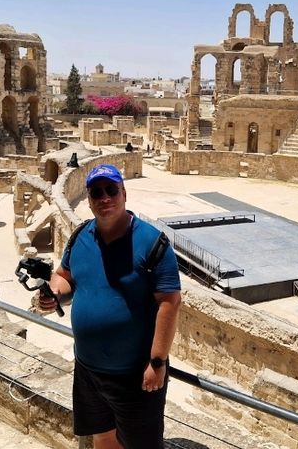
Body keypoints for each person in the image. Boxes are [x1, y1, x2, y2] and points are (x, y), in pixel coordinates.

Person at [39, 164, 181, 449]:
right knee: (102, 435)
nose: (105, 198)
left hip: (135, 375)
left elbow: (170, 302)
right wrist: (55, 294)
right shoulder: (81, 236)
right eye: (97, 192)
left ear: (124, 194)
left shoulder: (152, 243)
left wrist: (157, 362)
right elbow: (65, 276)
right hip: (88, 368)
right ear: (89, 199)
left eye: (111, 190)